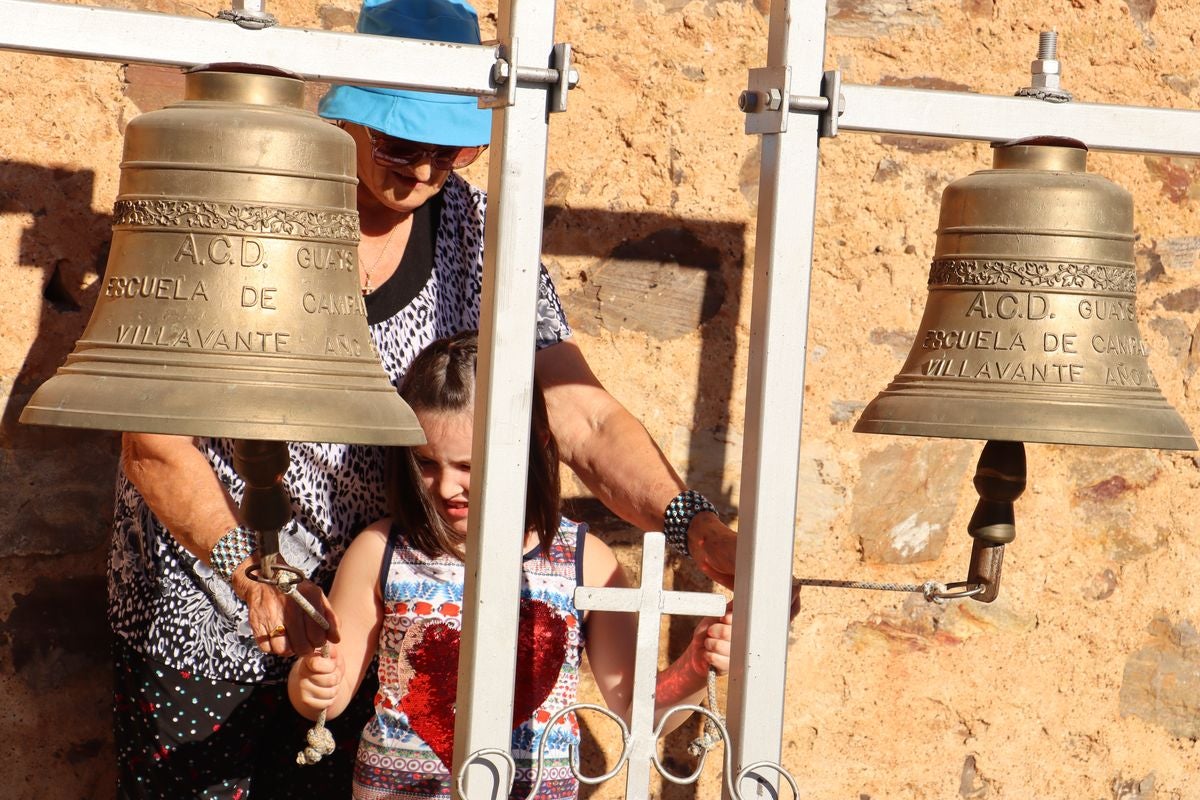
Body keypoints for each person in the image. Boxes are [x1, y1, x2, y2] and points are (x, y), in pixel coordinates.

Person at [110, 0, 740, 796]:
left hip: (379, 616)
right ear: (346, 121)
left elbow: (579, 413)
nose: (425, 171)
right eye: (402, 143)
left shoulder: (474, 232)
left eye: (454, 151)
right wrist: (249, 575)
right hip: (205, 612)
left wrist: (696, 528)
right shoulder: (252, 206)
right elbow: (152, 441)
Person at [288, 332, 732, 798]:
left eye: (467, 465)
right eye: (426, 463)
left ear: (532, 446)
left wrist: (695, 666)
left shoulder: (586, 562)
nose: (444, 486)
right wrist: (312, 682)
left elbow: (637, 710)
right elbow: (329, 694)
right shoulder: (382, 550)